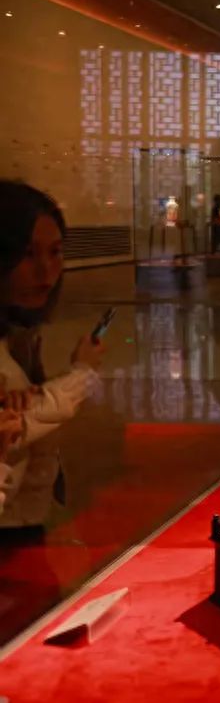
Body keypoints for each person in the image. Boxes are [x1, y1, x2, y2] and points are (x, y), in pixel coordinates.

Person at [0, 181, 105, 533]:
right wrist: (82, 373)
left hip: (24, 519)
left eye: (55, 252)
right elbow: (19, 426)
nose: (45, 271)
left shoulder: (20, 333)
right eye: (28, 255)